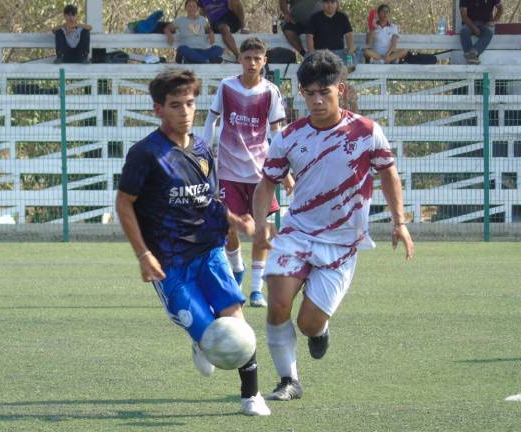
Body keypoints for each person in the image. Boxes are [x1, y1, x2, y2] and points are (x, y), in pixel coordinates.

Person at [251, 50, 414, 401]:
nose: (317, 100)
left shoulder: (367, 132)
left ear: (341, 89)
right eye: (309, 93)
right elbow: (267, 184)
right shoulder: (289, 136)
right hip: (298, 233)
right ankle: (288, 380)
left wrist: (399, 222)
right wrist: (262, 224)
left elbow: (389, 174)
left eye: (324, 92)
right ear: (301, 94)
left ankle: (319, 330)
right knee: (278, 303)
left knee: (308, 323)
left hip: (342, 242)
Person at [115, 68, 270, 416]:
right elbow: (124, 203)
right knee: (209, 334)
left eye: (189, 103)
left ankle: (251, 396)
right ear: (158, 110)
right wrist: (142, 254)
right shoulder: (146, 154)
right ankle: (201, 343)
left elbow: (209, 199)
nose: (185, 112)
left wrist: (236, 221)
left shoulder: (202, 147)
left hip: (209, 250)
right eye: (175, 105)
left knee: (236, 321)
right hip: (170, 263)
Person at [203, 38, 293, 308]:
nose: (252, 62)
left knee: (261, 229)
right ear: (240, 59)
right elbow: (211, 119)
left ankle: (256, 289)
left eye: (257, 58)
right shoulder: (226, 86)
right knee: (228, 227)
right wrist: (204, 155)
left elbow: (277, 133)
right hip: (228, 169)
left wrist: (284, 170)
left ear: (264, 61)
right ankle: (237, 267)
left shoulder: (271, 92)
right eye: (247, 57)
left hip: (259, 173)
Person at [459, 0, 503, 65]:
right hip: (469, 23)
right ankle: (472, 58)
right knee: (463, 32)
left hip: (485, 24)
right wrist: (474, 29)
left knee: (489, 33)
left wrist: (494, 21)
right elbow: (464, 16)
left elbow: (500, 9)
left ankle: (472, 54)